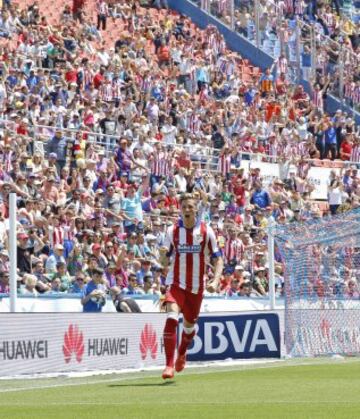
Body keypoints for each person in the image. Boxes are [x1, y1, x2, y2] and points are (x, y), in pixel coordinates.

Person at [159, 193, 224, 379]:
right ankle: (168, 365)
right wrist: (162, 256)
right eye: (184, 207)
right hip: (175, 283)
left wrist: (216, 280)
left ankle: (182, 352)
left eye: (190, 207)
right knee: (171, 317)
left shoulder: (206, 231)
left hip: (196, 288)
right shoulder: (172, 231)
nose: (186, 210)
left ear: (196, 209)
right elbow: (164, 262)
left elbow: (218, 259)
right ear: (180, 209)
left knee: (189, 329)